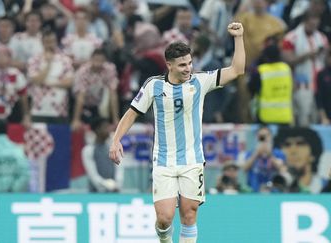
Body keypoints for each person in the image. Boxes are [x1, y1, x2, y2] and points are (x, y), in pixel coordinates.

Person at [109, 22, 245, 243]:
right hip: (163, 161)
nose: (188, 68)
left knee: (189, 214)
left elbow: (237, 70)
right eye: (182, 65)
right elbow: (132, 113)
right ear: (169, 65)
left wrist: (238, 38)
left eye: (190, 63)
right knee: (164, 218)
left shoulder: (201, 81)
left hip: (192, 160)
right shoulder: (154, 86)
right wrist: (116, 140)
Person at [82, 117, 123, 192]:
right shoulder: (88, 150)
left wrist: (117, 184)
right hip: (95, 193)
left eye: (109, 127)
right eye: (105, 127)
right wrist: (107, 186)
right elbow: (93, 175)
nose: (108, 130)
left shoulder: (114, 148)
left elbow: (119, 168)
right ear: (97, 130)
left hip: (114, 191)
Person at [242, 125, 287, 192]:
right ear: (257, 137)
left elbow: (282, 169)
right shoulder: (250, 153)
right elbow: (245, 169)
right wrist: (256, 153)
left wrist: (270, 155)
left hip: (274, 190)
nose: (264, 138)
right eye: (261, 136)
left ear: (271, 136)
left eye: (266, 135)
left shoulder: (278, 153)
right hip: (254, 191)